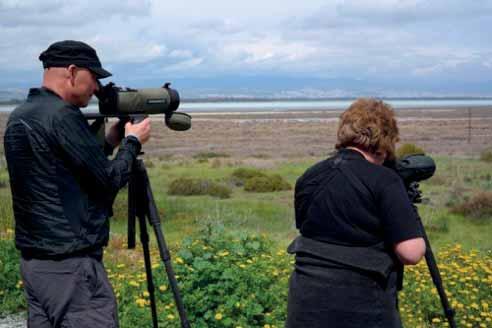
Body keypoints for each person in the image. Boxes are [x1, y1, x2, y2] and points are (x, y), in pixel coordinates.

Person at [4, 40, 151, 327]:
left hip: (36, 265)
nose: (96, 87)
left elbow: (62, 170)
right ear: (72, 72)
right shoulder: (62, 116)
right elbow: (108, 182)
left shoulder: (22, 115)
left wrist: (108, 142)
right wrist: (132, 143)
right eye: (93, 77)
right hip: (71, 268)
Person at [286, 98, 426, 328]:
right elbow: (411, 253)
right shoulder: (385, 180)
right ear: (386, 140)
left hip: (305, 303)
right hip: (363, 305)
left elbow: (306, 227)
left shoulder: (310, 176)